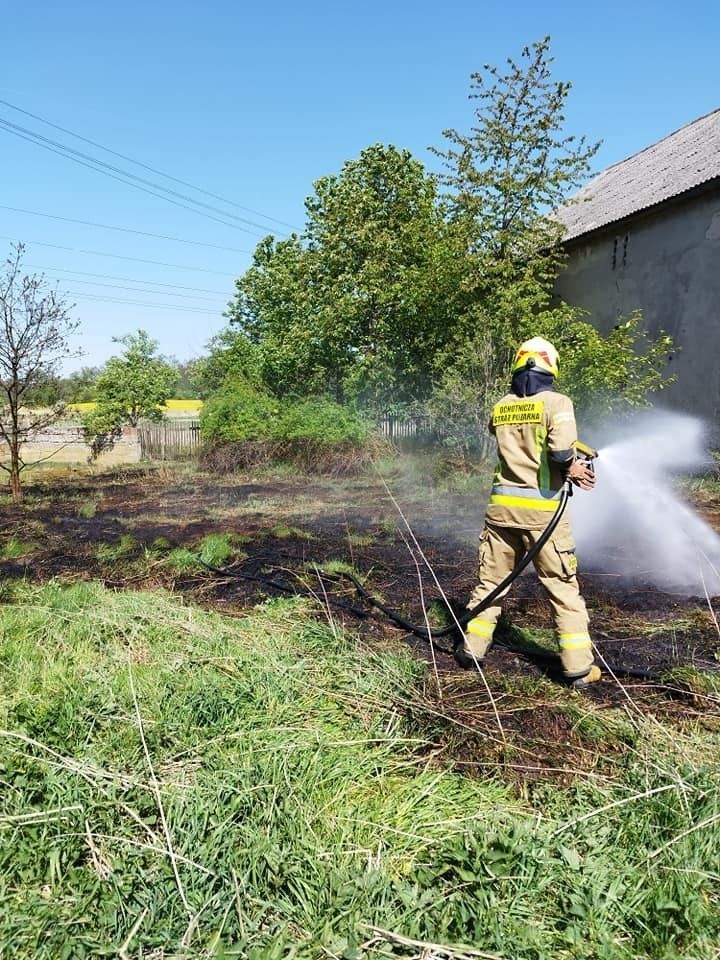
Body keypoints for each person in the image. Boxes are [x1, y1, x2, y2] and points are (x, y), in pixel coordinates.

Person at [458, 336, 601, 688]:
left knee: (490, 582)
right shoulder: (558, 402)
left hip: (501, 513)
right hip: (543, 516)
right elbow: (558, 453)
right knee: (562, 587)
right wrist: (575, 469)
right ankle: (578, 667)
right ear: (551, 366)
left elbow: (522, 439)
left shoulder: (501, 406)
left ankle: (472, 648)